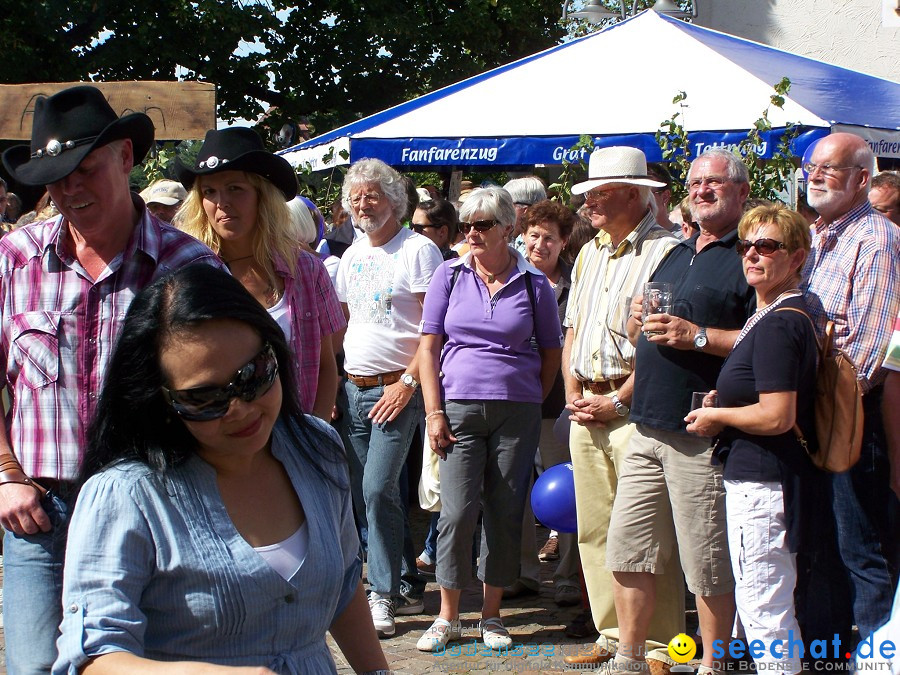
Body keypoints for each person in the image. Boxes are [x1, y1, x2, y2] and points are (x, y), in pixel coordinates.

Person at [52, 265, 388, 675]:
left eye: (254, 376)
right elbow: (93, 656)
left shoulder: (316, 448)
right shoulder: (125, 497)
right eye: (205, 398)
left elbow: (344, 586)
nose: (240, 409)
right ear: (160, 399)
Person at [0, 84, 223, 674]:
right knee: (31, 669)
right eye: (54, 176)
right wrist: (5, 476)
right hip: (40, 514)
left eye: (84, 168)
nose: (69, 188)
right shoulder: (14, 259)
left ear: (126, 158)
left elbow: (225, 389)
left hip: (157, 508)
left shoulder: (190, 267)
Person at [608, 148, 755, 675]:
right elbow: (643, 328)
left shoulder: (751, 251)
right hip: (645, 424)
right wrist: (636, 320)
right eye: (695, 183)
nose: (702, 190)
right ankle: (628, 657)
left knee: (708, 563)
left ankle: (714, 666)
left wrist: (697, 337)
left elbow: (769, 336)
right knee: (629, 552)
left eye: (715, 183)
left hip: (701, 431)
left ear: (740, 190)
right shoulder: (675, 251)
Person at [414, 186, 563, 652]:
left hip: (515, 409)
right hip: (457, 405)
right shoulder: (449, 275)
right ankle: (448, 614)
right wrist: (433, 412)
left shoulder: (534, 283)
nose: (472, 234)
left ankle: (492, 615)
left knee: (504, 513)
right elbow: (428, 347)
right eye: (466, 225)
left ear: (507, 229)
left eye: (483, 225)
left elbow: (552, 352)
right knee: (456, 513)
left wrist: (527, 399)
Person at [558, 148, 683, 669]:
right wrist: (573, 392)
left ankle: (660, 646)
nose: (589, 203)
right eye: (588, 194)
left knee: (648, 534)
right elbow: (572, 331)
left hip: (632, 408)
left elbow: (661, 346)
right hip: (587, 401)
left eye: (600, 194)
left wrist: (616, 398)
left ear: (636, 194)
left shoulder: (666, 252)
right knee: (594, 527)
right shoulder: (589, 252)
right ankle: (613, 637)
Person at [686, 204, 818, 675]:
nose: (753, 256)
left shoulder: (783, 321)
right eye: (747, 246)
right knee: (762, 605)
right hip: (762, 476)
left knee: (765, 610)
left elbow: (778, 415)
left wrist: (716, 415)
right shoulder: (778, 314)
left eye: (768, 247)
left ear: (797, 256)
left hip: (764, 481)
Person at [336, 158, 443, 637]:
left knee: (378, 489)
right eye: (356, 196)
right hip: (353, 387)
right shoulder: (354, 253)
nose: (363, 204)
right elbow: (344, 321)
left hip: (396, 389)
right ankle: (403, 580)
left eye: (372, 195)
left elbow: (433, 332)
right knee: (371, 496)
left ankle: (380, 593)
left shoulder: (419, 250)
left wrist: (408, 384)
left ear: (395, 200)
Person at [800, 132, 900, 644]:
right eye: (812, 166)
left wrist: (827, 406)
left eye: (830, 168)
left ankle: (878, 653)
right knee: (821, 542)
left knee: (859, 543)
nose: (815, 175)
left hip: (849, 413)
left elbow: (870, 343)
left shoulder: (876, 238)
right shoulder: (817, 237)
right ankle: (830, 648)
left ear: (862, 178)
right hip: (814, 411)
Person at [176, 128, 344, 421]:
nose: (221, 202)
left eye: (235, 188)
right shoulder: (190, 274)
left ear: (261, 195)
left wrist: (316, 437)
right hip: (220, 445)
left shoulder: (306, 269)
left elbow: (326, 363)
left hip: (297, 438)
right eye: (209, 192)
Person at [503, 198, 580, 607]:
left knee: (563, 488)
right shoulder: (508, 276)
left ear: (563, 242)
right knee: (512, 488)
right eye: (533, 235)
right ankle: (521, 573)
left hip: (555, 404)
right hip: (512, 400)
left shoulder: (574, 284)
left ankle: (567, 575)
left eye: (550, 237)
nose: (539, 245)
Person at [503, 176, 547, 253]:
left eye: (507, 205)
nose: (502, 212)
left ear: (526, 210)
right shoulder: (508, 239)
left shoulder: (536, 248)